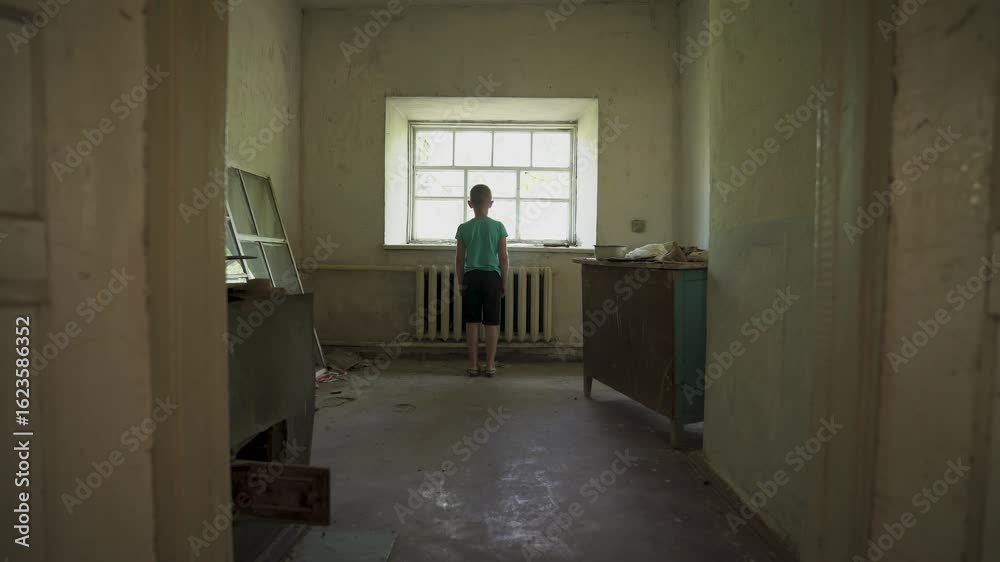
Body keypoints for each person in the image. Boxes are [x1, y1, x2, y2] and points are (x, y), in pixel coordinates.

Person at [455, 184, 508, 377]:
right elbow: (503, 258)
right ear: (491, 203)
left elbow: (459, 259)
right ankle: (491, 365)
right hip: (492, 278)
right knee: (492, 322)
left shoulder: (463, 228)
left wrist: (461, 282)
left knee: (472, 322)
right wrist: (504, 282)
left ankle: (473, 365)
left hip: (471, 277)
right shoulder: (498, 227)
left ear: (470, 203)